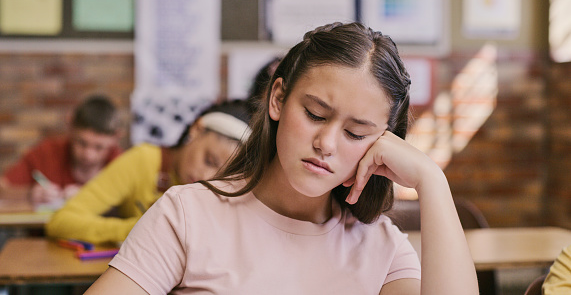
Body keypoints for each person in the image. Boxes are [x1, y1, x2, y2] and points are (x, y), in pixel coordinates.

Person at [86, 22, 478, 294]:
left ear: (380, 145)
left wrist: (432, 182)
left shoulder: (381, 248)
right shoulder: (188, 215)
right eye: (314, 114)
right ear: (278, 99)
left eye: (355, 133)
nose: (326, 143)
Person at [45, 99, 252, 246]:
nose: (208, 178)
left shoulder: (227, 191)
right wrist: (134, 230)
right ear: (197, 129)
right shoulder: (144, 160)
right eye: (209, 160)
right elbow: (61, 221)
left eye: (224, 176)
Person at [0, 95, 122, 207]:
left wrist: (91, 196)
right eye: (82, 143)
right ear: (71, 127)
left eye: (99, 147)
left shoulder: (122, 163)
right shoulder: (47, 153)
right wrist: (29, 194)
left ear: (116, 137)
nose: (88, 155)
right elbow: (2, 188)